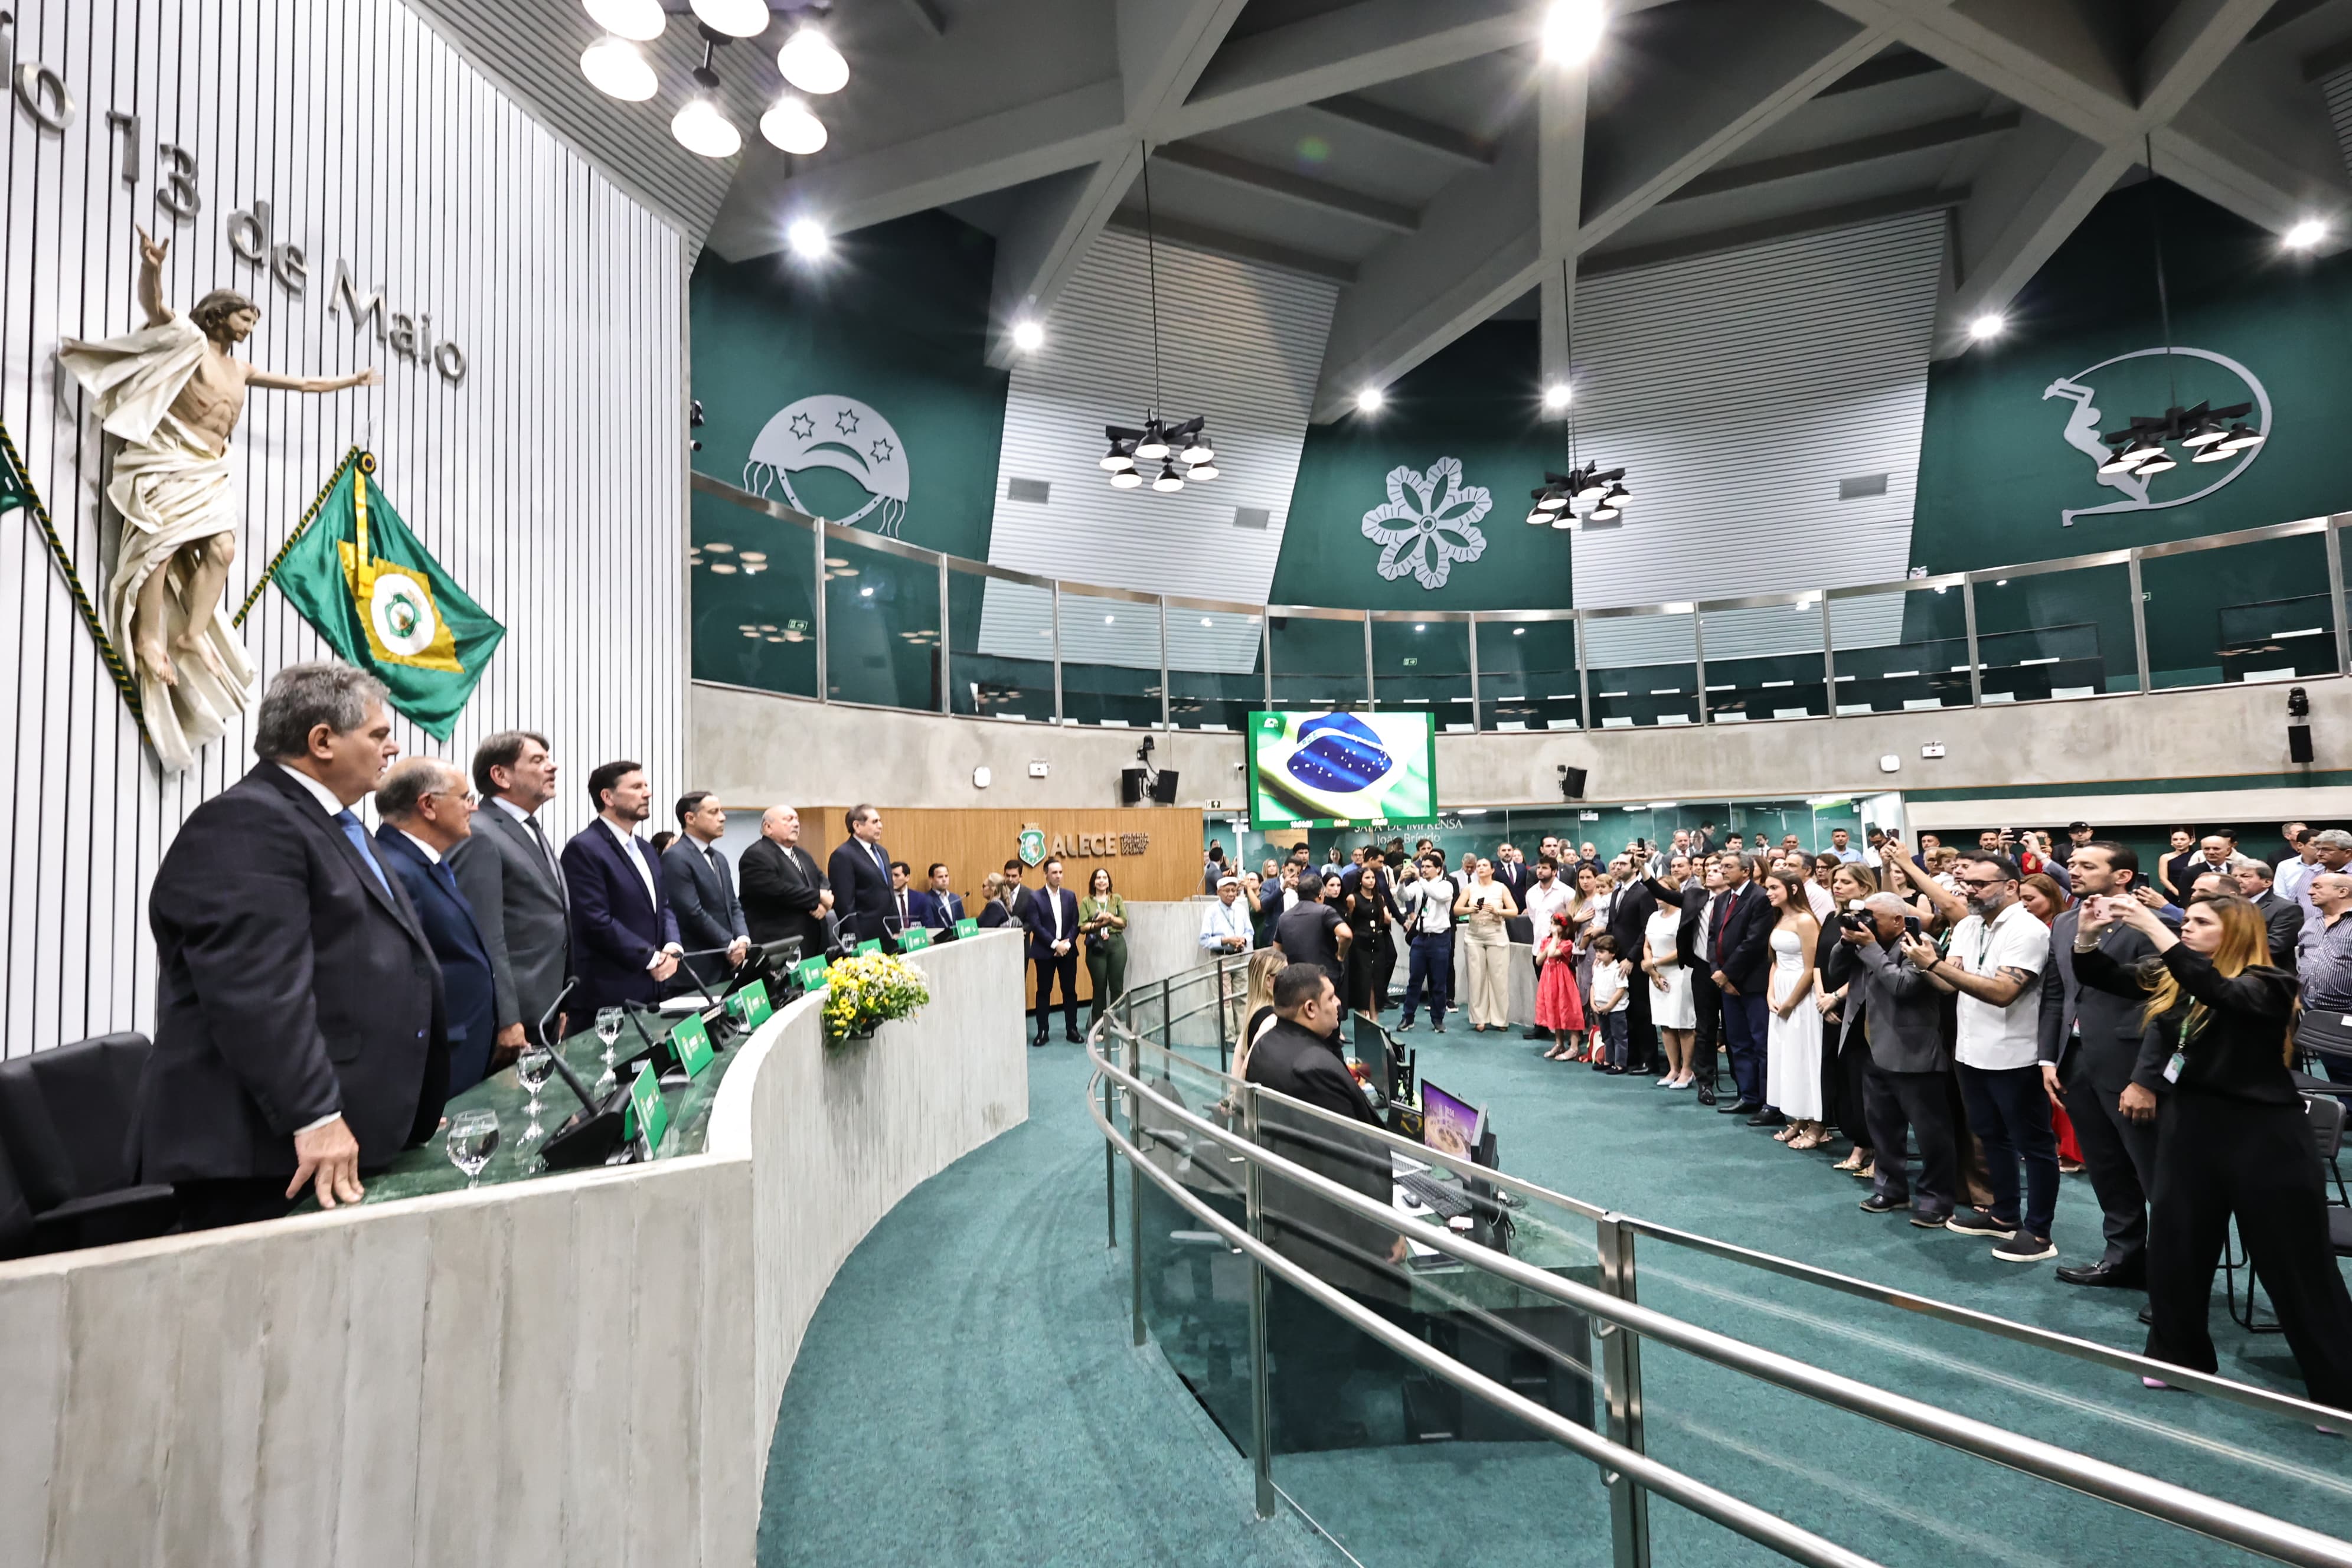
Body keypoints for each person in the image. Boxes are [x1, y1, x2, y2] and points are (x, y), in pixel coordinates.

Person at [59, 229, 378, 770]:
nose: (249, 327)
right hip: (170, 457)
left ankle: (189, 634)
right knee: (160, 546)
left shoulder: (242, 369)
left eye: (252, 321)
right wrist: (152, 267)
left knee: (224, 550)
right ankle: (149, 639)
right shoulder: (188, 341)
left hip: (209, 468)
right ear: (218, 316)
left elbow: (301, 385)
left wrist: (352, 380)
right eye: (244, 318)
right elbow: (155, 307)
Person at [139, 662, 443, 1229]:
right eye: (378, 734)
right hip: (268, 1153)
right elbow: (257, 991)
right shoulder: (247, 821)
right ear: (322, 741)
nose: (394, 747)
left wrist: (405, 1098)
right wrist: (315, 1115)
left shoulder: (332, 823)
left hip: (332, 1138)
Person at [2072, 893, 2352, 1411]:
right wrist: (2088, 934)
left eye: (2201, 923)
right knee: (2177, 1249)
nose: (2187, 928)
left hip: (2265, 1139)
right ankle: (2177, 1359)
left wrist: (2153, 926)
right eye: (2188, 921)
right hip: (2191, 1130)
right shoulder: (2174, 973)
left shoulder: (2271, 984)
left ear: (2235, 933)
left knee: (2296, 1264)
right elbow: (2099, 974)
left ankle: (2339, 1389)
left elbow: (2218, 990)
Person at [1244, 963, 1408, 1449]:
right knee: (1319, 1334)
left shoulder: (1270, 1045)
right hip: (1319, 1226)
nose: (1340, 1005)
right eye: (1333, 998)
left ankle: (1301, 1409)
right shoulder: (1312, 1066)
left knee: (1300, 1327)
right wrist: (1385, 1229)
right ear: (1309, 1008)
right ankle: (1313, 1427)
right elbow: (1350, 1158)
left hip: (1284, 1207)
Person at [1905, 852, 2058, 1263]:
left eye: (1979, 884)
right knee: (1990, 1136)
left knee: (2034, 1145)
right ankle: (2004, 1215)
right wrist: (1923, 964)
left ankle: (2039, 1233)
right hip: (1971, 1049)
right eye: (1966, 883)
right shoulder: (1969, 925)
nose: (1969, 891)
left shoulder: (2028, 930)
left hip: (2016, 1053)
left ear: (2011, 886)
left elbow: (2003, 992)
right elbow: (1949, 985)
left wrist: (1935, 964)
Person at [1831, 893, 1960, 1226]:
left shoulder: (1921, 944)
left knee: (1931, 1133)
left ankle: (1937, 1199)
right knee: (1883, 1128)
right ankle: (1891, 1190)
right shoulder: (1866, 944)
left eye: (1873, 917)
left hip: (1913, 1052)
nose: (1867, 922)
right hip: (1872, 1047)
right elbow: (1835, 971)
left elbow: (1902, 985)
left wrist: (1870, 948)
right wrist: (1846, 942)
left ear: (1898, 920)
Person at [372, 757, 499, 1095]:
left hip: (459, 1047)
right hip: (431, 1061)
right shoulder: (394, 870)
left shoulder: (425, 863)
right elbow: (395, 983)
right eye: (465, 798)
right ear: (428, 805)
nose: (473, 808)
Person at [449, 729, 568, 1059]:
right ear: (500, 775)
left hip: (545, 1010)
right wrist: (507, 1019)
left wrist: (562, 1001)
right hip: (512, 1020)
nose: (553, 766)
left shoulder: (528, 828)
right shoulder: (479, 832)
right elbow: (483, 934)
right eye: (538, 760)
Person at [563, 760, 683, 1019]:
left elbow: (663, 906)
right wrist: (652, 958)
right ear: (608, 797)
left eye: (646, 786)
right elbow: (595, 920)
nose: (648, 793)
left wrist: (673, 948)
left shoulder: (646, 849)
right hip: (608, 995)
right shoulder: (584, 848)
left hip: (655, 989)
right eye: (637, 787)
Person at [1815, 864, 1879, 1171]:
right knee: (1841, 1077)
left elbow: (1865, 969)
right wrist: (1822, 998)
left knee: (1863, 1080)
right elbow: (1819, 962)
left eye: (1845, 882)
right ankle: (1858, 1141)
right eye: (1835, 881)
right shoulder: (1832, 917)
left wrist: (1836, 997)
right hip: (1829, 1006)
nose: (1836, 886)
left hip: (1858, 1007)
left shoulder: (1870, 921)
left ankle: (1874, 1147)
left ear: (1864, 888)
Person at [1760, 870, 1825, 1148]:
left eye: (1774, 888)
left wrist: (1790, 1003)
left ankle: (1818, 1124)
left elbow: (1811, 968)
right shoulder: (1781, 918)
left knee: (1805, 1056)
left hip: (1802, 995)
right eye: (1767, 888)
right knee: (1786, 1057)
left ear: (1793, 889)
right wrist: (1770, 993)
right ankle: (1798, 1118)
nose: (1769, 893)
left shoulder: (1805, 920)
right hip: (1781, 991)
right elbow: (1776, 961)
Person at [662, 792, 750, 993]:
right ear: (690, 818)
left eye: (721, 811)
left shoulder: (718, 858)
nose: (722, 818)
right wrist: (728, 945)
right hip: (696, 970)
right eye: (713, 812)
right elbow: (691, 911)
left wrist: (743, 940)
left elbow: (733, 904)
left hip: (725, 965)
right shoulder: (675, 857)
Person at [1710, 853, 1777, 1116]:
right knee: (1738, 1042)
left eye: (1728, 867)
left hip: (1753, 981)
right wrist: (1717, 972)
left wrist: (1727, 973)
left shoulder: (1760, 898)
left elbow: (1755, 942)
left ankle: (1768, 1101)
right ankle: (1747, 1095)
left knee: (1761, 1043)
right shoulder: (1722, 899)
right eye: (1721, 866)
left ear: (1746, 871)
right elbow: (1713, 938)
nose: (1722, 871)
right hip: (1727, 982)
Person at [737, 805, 834, 959]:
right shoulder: (756, 855)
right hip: (781, 944)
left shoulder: (801, 854)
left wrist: (823, 904)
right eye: (788, 820)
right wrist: (818, 897)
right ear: (768, 827)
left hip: (814, 940)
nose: (796, 824)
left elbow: (821, 878)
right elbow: (778, 890)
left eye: (797, 819)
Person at [1644, 863, 1697, 1087]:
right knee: (1665, 1024)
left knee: (1683, 1023)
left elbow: (1683, 949)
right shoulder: (1654, 917)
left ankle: (1687, 1070)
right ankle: (1673, 1069)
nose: (1658, 896)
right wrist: (1652, 971)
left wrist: (1654, 963)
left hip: (1679, 972)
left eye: (1663, 891)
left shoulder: (1683, 916)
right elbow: (1647, 944)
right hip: (1657, 975)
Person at [1453, 858, 1517, 1033]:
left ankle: (1500, 1019)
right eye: (1479, 866)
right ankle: (1479, 1019)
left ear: (1492, 870)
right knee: (1476, 979)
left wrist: (1498, 911)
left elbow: (1514, 911)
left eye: (1484, 866)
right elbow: (1457, 909)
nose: (1481, 868)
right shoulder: (1470, 888)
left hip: (1496, 935)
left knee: (1499, 979)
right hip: (1474, 937)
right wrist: (1470, 909)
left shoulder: (1501, 888)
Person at [1396, 855, 1458, 1033]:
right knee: (1414, 981)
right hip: (1420, 938)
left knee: (1438, 982)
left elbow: (1437, 895)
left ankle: (1438, 1019)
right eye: (1422, 866)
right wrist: (1401, 882)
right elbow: (1403, 895)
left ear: (1439, 869)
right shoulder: (1418, 885)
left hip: (1440, 939)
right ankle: (1408, 1017)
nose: (1423, 870)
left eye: (1428, 867)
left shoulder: (1446, 885)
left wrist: (1420, 879)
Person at [1025, 858, 1083, 1046]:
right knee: (1044, 991)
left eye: (1060, 872)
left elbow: (1075, 922)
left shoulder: (1069, 896)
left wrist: (1067, 944)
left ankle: (1072, 1029)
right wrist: (1055, 945)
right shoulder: (1035, 897)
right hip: (1045, 952)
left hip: (1067, 951)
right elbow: (1036, 925)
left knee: (1070, 991)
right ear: (1046, 874)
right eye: (1054, 873)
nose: (1058, 876)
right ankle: (1043, 1031)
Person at [1275, 870, 1352, 1002]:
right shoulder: (1325, 911)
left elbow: (1277, 951)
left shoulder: (1284, 917)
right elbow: (1346, 934)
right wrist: (1341, 955)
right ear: (1321, 894)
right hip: (1324, 979)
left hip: (1296, 980)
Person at [827, 805, 897, 949]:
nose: (880, 826)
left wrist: (896, 928)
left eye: (880, 821)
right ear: (857, 826)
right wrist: (857, 941)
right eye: (875, 822)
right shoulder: (843, 855)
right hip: (863, 937)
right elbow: (844, 904)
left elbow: (888, 891)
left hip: (888, 933)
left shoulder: (882, 851)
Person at [1537, 910, 1588, 1060]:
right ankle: (1559, 1044)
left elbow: (1552, 954)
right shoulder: (1546, 942)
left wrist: (1555, 938)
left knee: (1568, 1009)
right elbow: (1539, 960)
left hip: (1563, 978)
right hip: (1549, 978)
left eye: (1556, 924)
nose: (1552, 927)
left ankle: (1574, 1047)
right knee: (1555, 1008)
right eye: (1552, 924)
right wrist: (1550, 943)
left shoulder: (1567, 944)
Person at [2233, 860, 2302, 969]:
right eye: (2234, 876)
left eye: (2245, 876)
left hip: (2265, 971)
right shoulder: (2228, 905)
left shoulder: (2287, 909)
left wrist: (2230, 951)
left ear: (2267, 883)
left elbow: (2275, 945)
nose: (2237, 880)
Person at [1231, 948, 1286, 1084]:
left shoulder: (1252, 1015)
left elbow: (1237, 1065)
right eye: (1285, 974)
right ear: (1268, 980)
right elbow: (1246, 1065)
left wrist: (1234, 1094)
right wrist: (1237, 1097)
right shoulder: (1272, 1019)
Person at [1080, 867, 1128, 1025]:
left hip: (1116, 944)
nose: (1102, 881)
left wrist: (1110, 918)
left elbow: (1123, 922)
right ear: (1093, 882)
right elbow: (1082, 927)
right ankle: (1099, 1027)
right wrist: (1099, 923)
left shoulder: (1116, 899)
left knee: (1117, 986)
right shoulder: (1087, 901)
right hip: (1096, 945)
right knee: (1099, 987)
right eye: (1098, 878)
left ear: (1109, 881)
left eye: (1105, 878)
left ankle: (1117, 1024)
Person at [1587, 935, 1628, 1071]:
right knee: (1606, 1036)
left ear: (1612, 953)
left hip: (1616, 1009)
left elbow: (1621, 990)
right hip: (1601, 1008)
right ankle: (1608, 1061)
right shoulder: (1597, 967)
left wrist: (1610, 1006)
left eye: (1602, 952)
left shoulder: (1618, 969)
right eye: (1597, 952)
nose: (1598, 955)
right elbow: (1593, 986)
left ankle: (1620, 1064)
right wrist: (1593, 1003)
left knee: (1619, 1037)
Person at [1200, 874, 1253, 956]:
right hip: (1221, 957)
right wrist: (1226, 941)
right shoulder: (1211, 911)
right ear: (1218, 892)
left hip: (1240, 956)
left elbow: (1250, 932)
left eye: (1234, 890)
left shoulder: (1241, 909)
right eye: (1227, 891)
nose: (1231, 894)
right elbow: (1204, 940)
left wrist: (1244, 939)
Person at [909, 863, 965, 931]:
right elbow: (930, 926)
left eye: (946, 876)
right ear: (931, 879)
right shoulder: (927, 900)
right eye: (940, 877)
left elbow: (963, 922)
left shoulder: (955, 898)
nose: (944, 880)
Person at [2158, 829, 2197, 903]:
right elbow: (2163, 879)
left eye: (2183, 839)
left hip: (2193, 894)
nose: (2179, 842)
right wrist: (2178, 894)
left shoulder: (2197, 856)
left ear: (2191, 840)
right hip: (2172, 894)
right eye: (2175, 840)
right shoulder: (2165, 857)